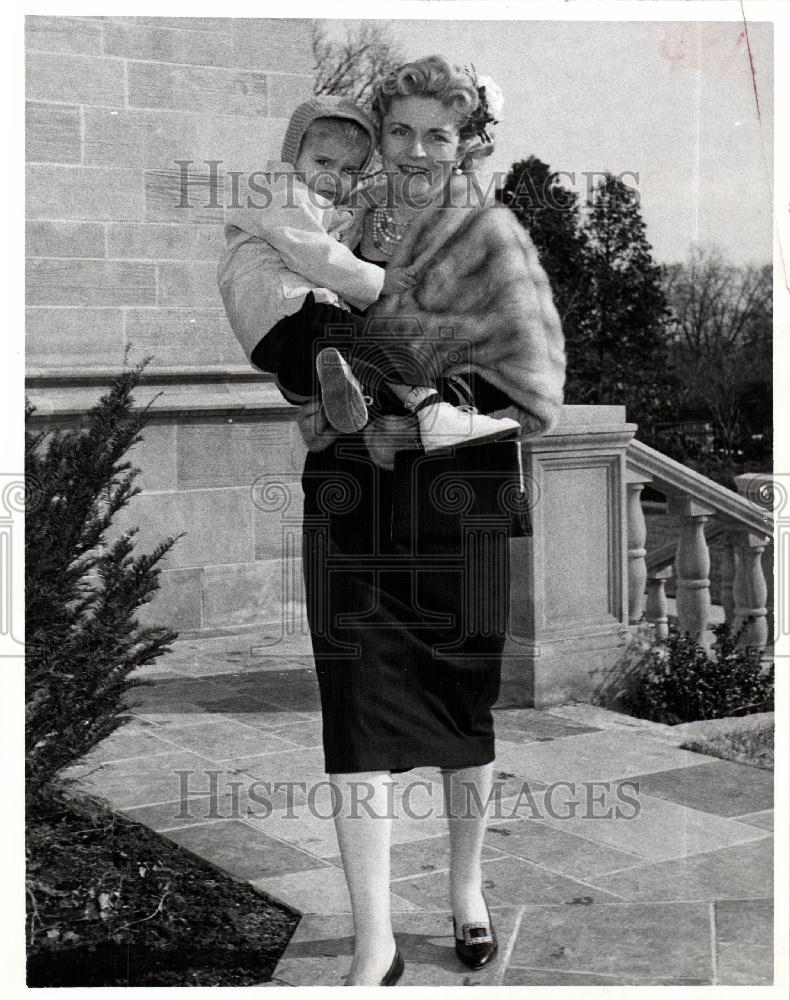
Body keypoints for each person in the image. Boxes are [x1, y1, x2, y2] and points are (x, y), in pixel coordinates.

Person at [218, 55, 565, 987]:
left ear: (467, 143)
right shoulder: (335, 219)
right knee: (356, 715)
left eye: (436, 134)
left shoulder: (493, 238)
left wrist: (429, 403)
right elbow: (285, 329)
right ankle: (375, 939)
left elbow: (536, 388)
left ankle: (466, 893)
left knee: (461, 712)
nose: (415, 150)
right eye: (400, 131)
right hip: (352, 497)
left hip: (460, 499)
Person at [219, 95, 521, 449]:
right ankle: (430, 412)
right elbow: (320, 254)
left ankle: (351, 393)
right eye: (323, 162)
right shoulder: (283, 195)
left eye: (349, 170)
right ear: (292, 157)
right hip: (293, 319)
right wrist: (380, 281)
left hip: (294, 339)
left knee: (345, 355)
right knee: (369, 341)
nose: (334, 178)